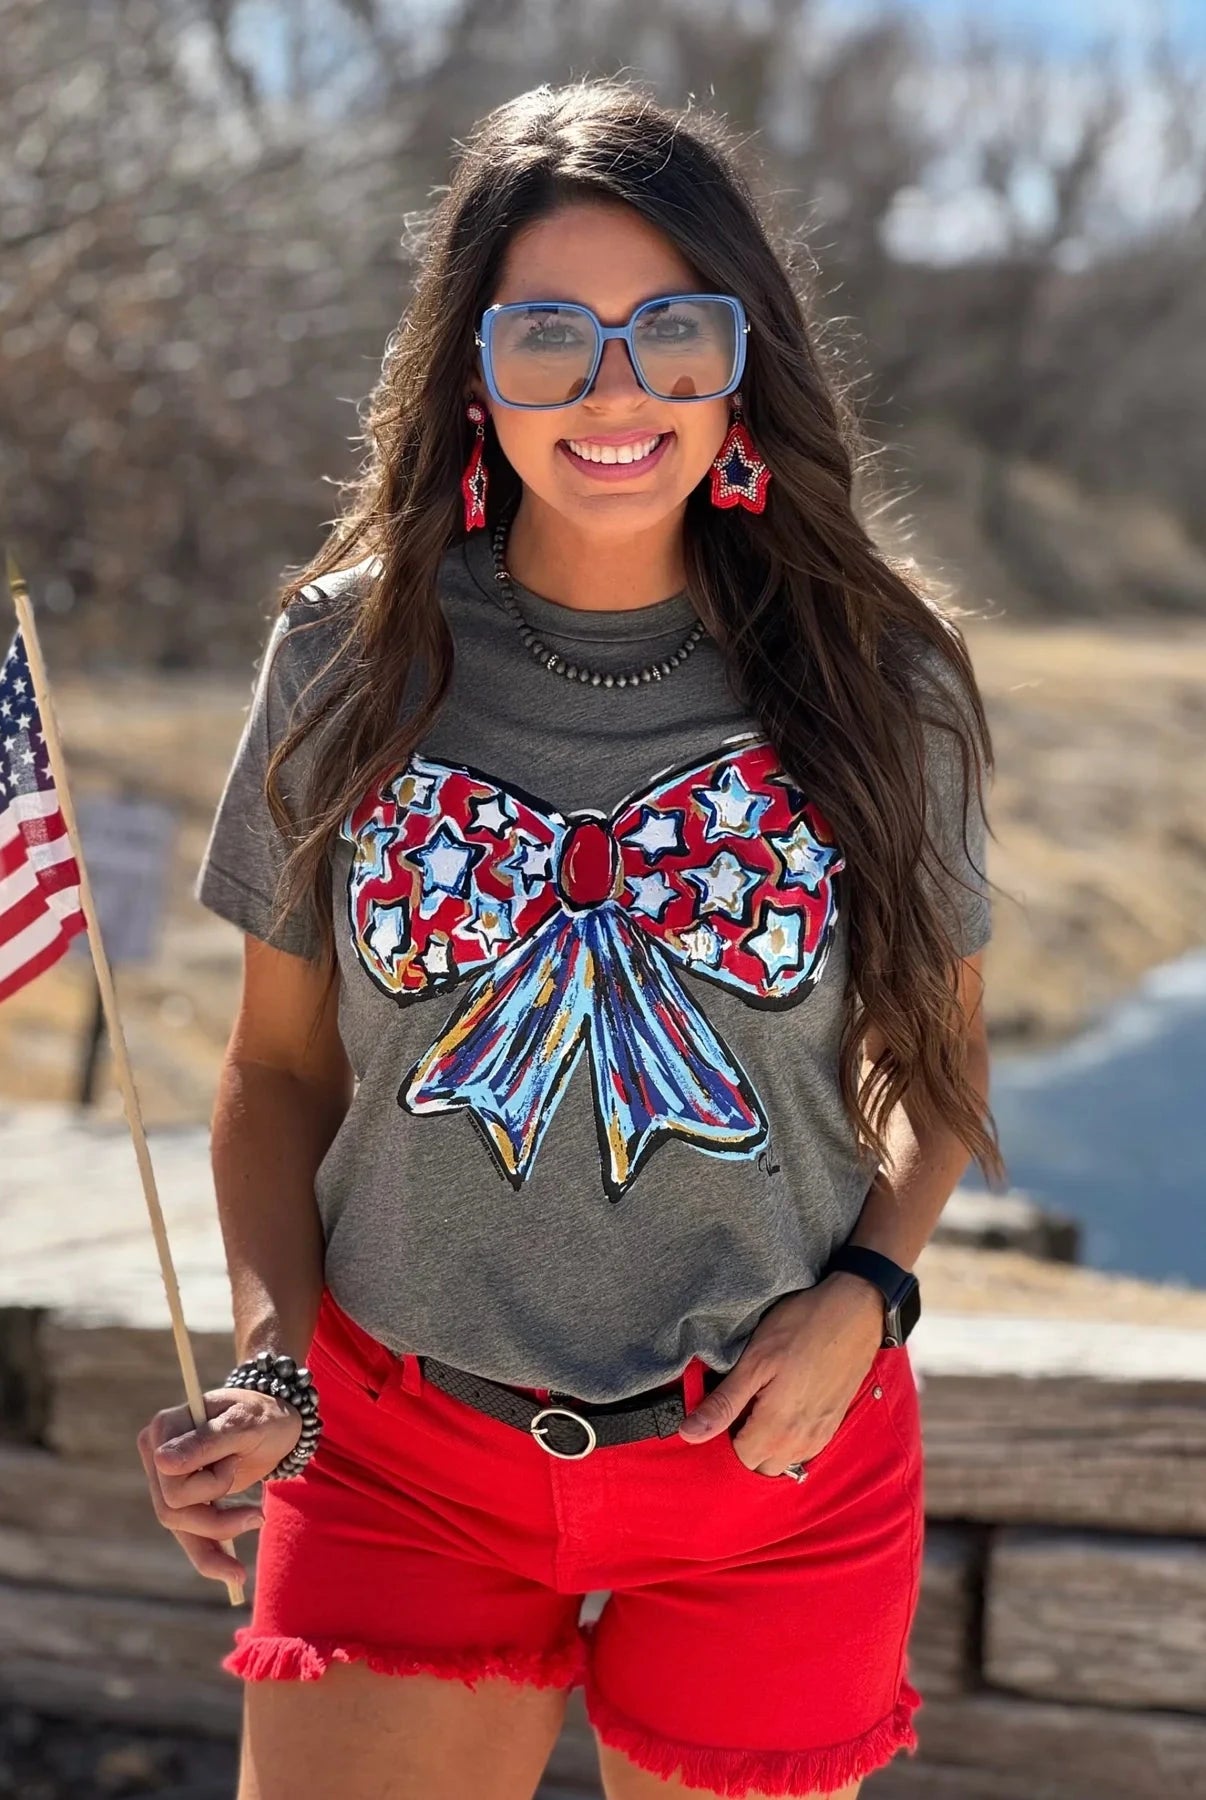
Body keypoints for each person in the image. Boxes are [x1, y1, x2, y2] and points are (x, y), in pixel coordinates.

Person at [137, 77, 1003, 1800]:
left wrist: (867, 1295)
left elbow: (938, 1070)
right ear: (475, 371)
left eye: (670, 332)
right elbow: (276, 1075)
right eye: (551, 338)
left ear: (737, 358)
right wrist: (271, 1373)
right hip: (389, 1458)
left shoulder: (873, 671)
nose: (616, 392)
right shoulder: (348, 657)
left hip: (774, 1464)